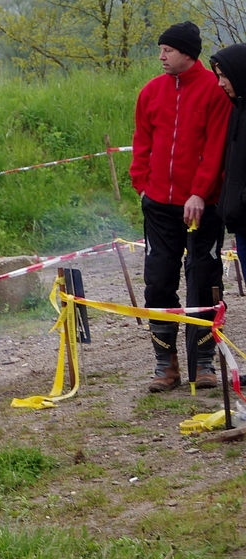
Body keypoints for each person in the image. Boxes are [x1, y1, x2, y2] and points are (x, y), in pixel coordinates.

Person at [130, 21, 231, 392]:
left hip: (203, 205)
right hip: (159, 205)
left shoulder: (214, 91)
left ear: (187, 53)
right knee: (158, 282)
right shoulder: (150, 91)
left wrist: (200, 192)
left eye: (167, 50)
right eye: (160, 50)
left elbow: (217, 147)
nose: (161, 56)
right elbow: (142, 142)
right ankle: (165, 365)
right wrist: (142, 185)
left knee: (204, 279)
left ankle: (203, 362)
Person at [211, 45, 246, 285]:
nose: (220, 83)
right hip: (241, 221)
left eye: (224, 76)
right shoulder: (237, 110)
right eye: (218, 76)